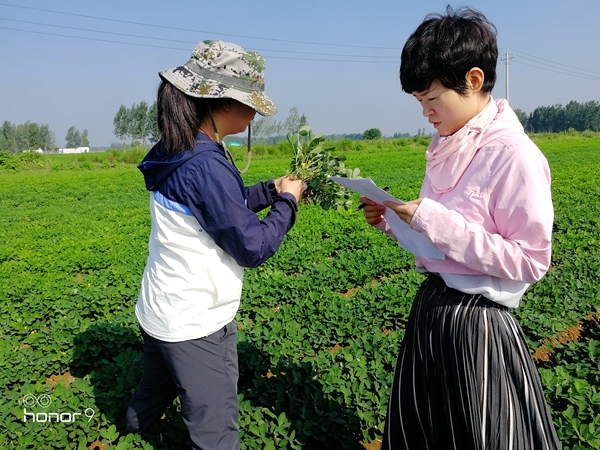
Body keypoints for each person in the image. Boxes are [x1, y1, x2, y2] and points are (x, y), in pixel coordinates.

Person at [359, 7, 561, 450]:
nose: (427, 113)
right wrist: (394, 221)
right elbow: (445, 238)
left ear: (472, 79)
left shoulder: (513, 155)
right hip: (432, 310)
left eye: (432, 100)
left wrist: (432, 219)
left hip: (477, 329)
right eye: (419, 103)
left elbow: (529, 260)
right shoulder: (450, 144)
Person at [125, 40, 306, 449]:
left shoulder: (180, 146)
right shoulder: (206, 162)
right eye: (251, 103)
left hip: (159, 308)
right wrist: (289, 203)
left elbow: (219, 204)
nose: (255, 112)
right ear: (223, 102)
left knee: (151, 394)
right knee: (216, 429)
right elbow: (253, 246)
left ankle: (129, 429)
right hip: (195, 323)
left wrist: (270, 189)